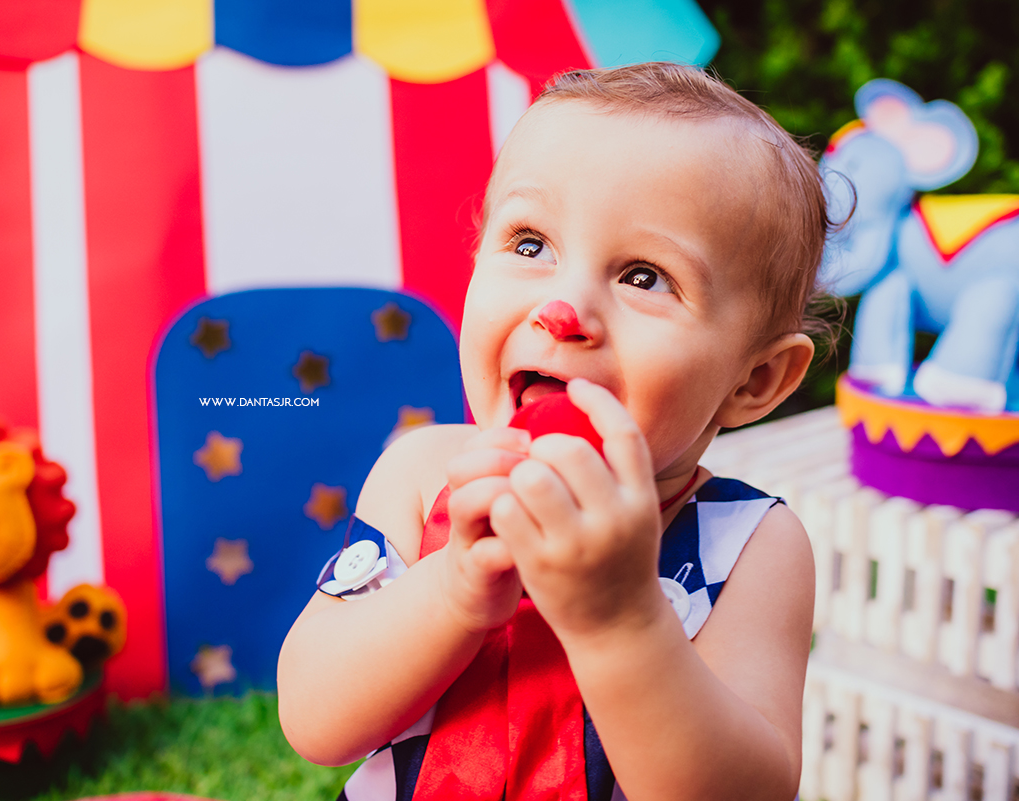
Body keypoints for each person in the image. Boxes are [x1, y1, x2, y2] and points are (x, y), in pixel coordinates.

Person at [278, 62, 828, 801]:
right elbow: (316, 720)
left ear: (753, 380)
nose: (562, 309)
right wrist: (454, 587)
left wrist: (621, 618)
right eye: (531, 244)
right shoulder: (422, 474)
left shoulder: (750, 541)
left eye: (643, 276)